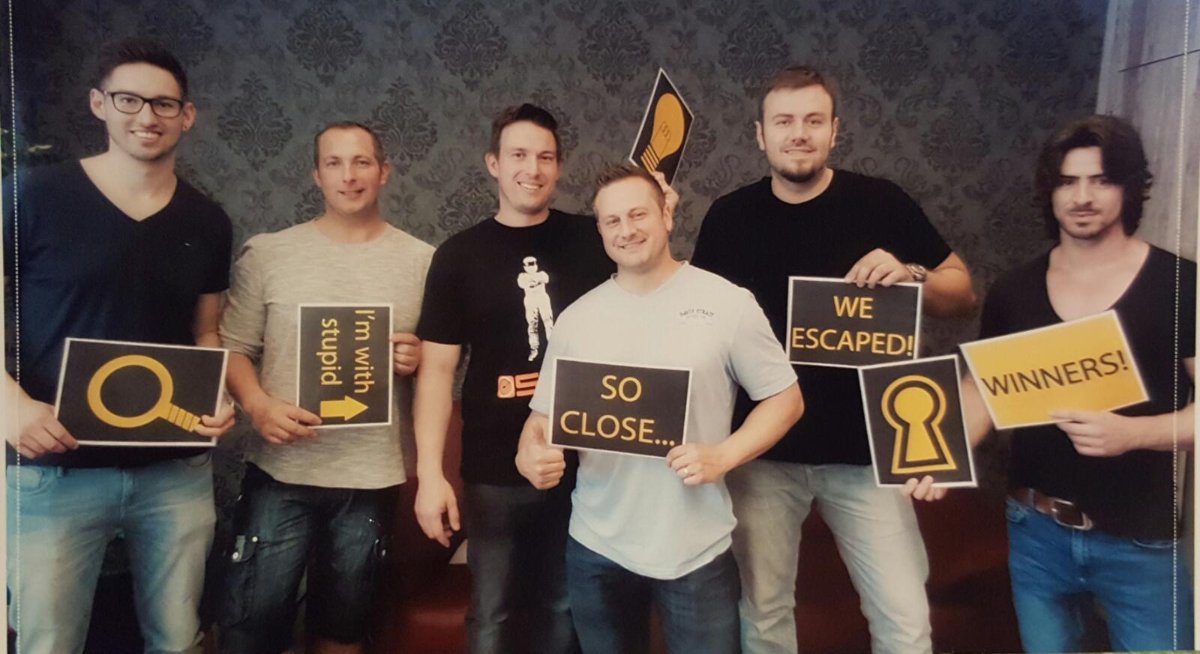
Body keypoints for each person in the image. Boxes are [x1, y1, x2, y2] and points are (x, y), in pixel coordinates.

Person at [690, 65, 977, 654]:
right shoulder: (728, 217)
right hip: (762, 454)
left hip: (870, 453)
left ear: (834, 131)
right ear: (760, 134)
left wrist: (913, 274)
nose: (799, 133)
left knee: (905, 619)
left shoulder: (882, 203)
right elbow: (696, 322)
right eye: (784, 121)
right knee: (764, 614)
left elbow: (962, 293)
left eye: (813, 121)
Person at [3, 38, 235, 654]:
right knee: (49, 643)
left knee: (178, 641)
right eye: (129, 99)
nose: (146, 116)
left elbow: (205, 332)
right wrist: (10, 405)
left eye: (164, 104)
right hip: (53, 470)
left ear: (187, 115)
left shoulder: (208, 221)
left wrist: (216, 397)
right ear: (98, 103)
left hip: (174, 473)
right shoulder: (31, 195)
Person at [516, 164, 803, 654]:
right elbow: (542, 418)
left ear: (667, 215)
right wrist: (529, 452)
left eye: (638, 214)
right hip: (596, 546)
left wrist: (724, 455)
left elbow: (786, 398)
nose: (626, 230)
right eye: (612, 221)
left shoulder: (728, 303)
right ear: (601, 230)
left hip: (696, 550)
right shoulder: (577, 318)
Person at [961, 114, 1194, 653]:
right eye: (1068, 181)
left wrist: (1133, 434)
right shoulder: (1013, 291)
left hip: (1140, 540)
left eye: (1101, 180)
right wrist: (936, 456)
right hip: (1035, 531)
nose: (1082, 197)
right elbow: (981, 395)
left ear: (1129, 187)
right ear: (1050, 191)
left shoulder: (1181, 284)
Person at [218, 122, 433, 654]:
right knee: (251, 626)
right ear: (317, 174)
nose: (348, 175)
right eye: (334, 163)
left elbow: (439, 364)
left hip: (370, 476)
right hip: (281, 469)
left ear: (384, 171)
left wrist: (416, 358)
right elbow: (232, 348)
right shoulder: (269, 253)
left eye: (361, 162)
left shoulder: (423, 261)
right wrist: (257, 405)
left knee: (344, 626)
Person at [412, 103, 613, 653]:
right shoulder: (459, 256)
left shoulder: (593, 240)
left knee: (564, 604)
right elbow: (436, 373)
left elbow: (648, 284)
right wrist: (430, 475)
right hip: (492, 471)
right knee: (492, 610)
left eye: (545, 157)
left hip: (583, 462)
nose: (533, 168)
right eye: (519, 155)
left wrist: (657, 213)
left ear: (559, 166)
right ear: (494, 163)